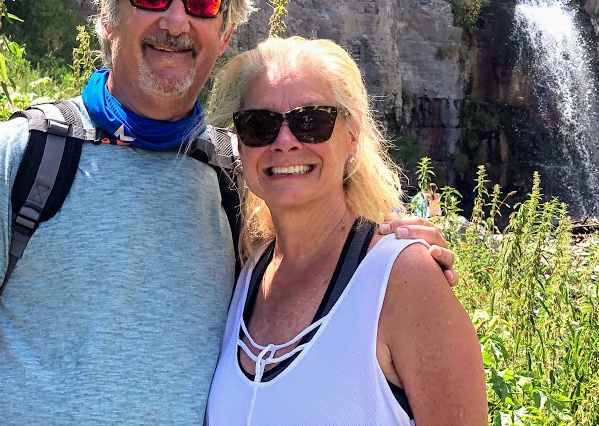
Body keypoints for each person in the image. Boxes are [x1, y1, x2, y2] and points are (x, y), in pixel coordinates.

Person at [0, 0, 456, 426]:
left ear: (225, 33)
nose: (176, 20)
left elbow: (320, 247)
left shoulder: (236, 174)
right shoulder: (29, 155)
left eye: (202, 3)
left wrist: (402, 252)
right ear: (109, 18)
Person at [204, 36, 487, 425]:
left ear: (352, 134)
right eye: (260, 125)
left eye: (312, 121)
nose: (285, 142)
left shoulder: (401, 278)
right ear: (240, 143)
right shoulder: (247, 274)